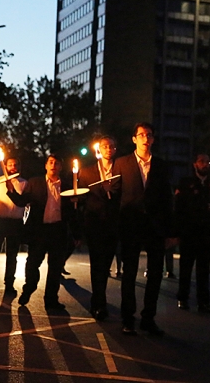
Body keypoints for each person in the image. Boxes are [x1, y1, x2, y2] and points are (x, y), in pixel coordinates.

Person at [115, 122, 174, 336]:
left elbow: (168, 199)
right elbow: (116, 194)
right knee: (129, 273)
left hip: (155, 226)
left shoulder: (161, 165)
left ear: (153, 139)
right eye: (141, 135)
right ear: (134, 139)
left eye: (149, 135)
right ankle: (128, 318)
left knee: (155, 274)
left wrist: (170, 231)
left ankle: (149, 317)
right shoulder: (122, 163)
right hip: (130, 225)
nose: (145, 138)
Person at [6, 154, 80, 310]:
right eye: (51, 162)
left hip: (58, 231)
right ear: (46, 165)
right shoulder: (35, 182)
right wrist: (11, 191)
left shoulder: (68, 186)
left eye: (57, 163)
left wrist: (76, 233)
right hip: (39, 231)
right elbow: (22, 202)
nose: (53, 165)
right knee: (32, 264)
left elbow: (72, 213)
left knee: (55, 267)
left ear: (61, 167)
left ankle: (51, 300)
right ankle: (29, 287)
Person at [174, 153, 210, 313]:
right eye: (202, 161)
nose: (205, 164)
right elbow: (178, 209)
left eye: (208, 162)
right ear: (195, 164)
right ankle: (183, 298)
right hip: (189, 233)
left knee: (204, 270)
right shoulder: (186, 183)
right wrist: (177, 232)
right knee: (186, 268)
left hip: (206, 234)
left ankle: (203, 302)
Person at [78, 135, 121, 320]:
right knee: (97, 265)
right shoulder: (88, 172)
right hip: (94, 224)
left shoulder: (120, 169)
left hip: (113, 224)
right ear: (99, 149)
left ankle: (100, 300)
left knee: (106, 265)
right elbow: (81, 195)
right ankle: (98, 304)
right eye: (105, 146)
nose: (108, 149)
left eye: (112, 146)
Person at [0, 156, 27, 296]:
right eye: (10, 164)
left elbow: (26, 203)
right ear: (5, 166)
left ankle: (9, 284)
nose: (13, 167)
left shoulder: (24, 183)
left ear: (19, 166)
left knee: (12, 255)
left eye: (16, 164)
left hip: (15, 223)